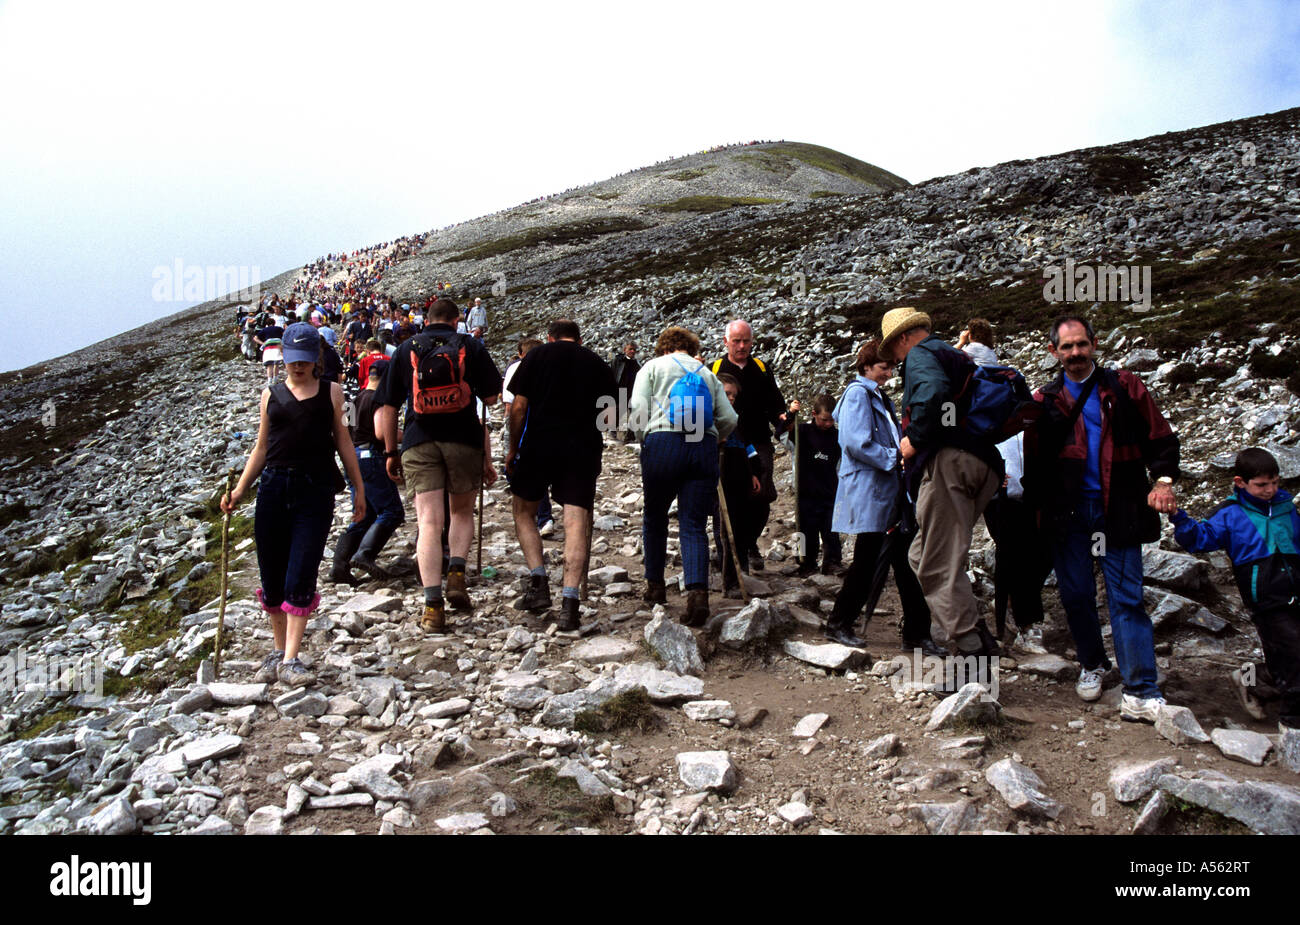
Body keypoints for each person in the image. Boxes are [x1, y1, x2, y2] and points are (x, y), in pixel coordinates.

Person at [1024, 315, 1179, 722]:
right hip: (1068, 513)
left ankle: (1141, 688)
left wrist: (1163, 481)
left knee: (1126, 598)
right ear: (1053, 351)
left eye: (1081, 344)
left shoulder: (1125, 386)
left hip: (1120, 508)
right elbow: (1034, 465)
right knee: (1076, 596)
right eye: (1067, 347)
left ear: (1094, 343)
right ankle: (1092, 662)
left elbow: (1161, 438)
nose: (1075, 353)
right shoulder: (1045, 400)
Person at [221, 322, 366, 688]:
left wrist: (358, 489)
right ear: (283, 356)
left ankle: (290, 658)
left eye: (304, 361)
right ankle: (278, 648)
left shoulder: (333, 393)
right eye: (292, 360)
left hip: (315, 489)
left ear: (316, 358)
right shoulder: (270, 394)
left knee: (301, 570)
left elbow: (344, 442)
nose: (298, 367)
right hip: (273, 487)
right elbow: (261, 447)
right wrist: (239, 491)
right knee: (271, 574)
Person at [883, 307, 1003, 659]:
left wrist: (913, 440)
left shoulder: (921, 355)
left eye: (893, 351)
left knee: (936, 563)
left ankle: (973, 653)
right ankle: (978, 636)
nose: (895, 359)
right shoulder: (955, 354)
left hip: (949, 464)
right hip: (983, 464)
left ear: (903, 338)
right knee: (922, 555)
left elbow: (933, 393)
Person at [377, 299, 501, 633]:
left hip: (419, 440)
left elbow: (388, 406)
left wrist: (391, 452)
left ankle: (433, 606)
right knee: (461, 512)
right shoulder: (470, 345)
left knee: (429, 523)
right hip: (463, 438)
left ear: (426, 320)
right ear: (457, 320)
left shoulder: (405, 348)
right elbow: (492, 398)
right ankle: (457, 571)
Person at [1170, 448, 1300, 731]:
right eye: (1262, 485)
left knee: (1284, 657)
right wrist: (1178, 517)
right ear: (1240, 482)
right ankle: (1293, 724)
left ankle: (1250, 678)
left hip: (1295, 590)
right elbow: (1199, 539)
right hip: (1265, 598)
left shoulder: (1286, 507)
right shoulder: (1229, 513)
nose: (1270, 490)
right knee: (1294, 653)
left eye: (1275, 482)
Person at [824, 340, 939, 654]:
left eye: (890, 366)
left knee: (899, 561)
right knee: (871, 560)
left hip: (885, 492)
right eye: (883, 367)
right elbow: (855, 442)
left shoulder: (875, 395)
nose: (888, 372)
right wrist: (896, 457)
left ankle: (914, 632)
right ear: (866, 367)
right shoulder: (859, 395)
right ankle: (840, 623)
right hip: (872, 491)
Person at [506, 319, 617, 631]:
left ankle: (538, 582)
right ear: (579, 339)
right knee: (575, 521)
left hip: (539, 445)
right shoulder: (597, 362)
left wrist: (513, 448)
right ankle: (570, 605)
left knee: (524, 511)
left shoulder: (536, 357)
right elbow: (611, 416)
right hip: (581, 450)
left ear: (550, 337)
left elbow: (518, 408)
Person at [631, 326, 738, 626]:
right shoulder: (707, 374)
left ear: (664, 348)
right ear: (691, 349)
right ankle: (697, 595)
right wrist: (716, 437)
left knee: (655, 515)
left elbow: (638, 409)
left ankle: (655, 587)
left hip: (663, 443)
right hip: (702, 446)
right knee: (693, 523)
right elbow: (729, 418)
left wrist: (646, 438)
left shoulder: (651, 367)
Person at [710, 320, 794, 572]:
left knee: (762, 495)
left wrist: (783, 417)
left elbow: (775, 404)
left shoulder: (761, 368)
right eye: (736, 341)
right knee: (727, 498)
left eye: (746, 340)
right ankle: (729, 555)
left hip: (758, 440)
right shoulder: (713, 369)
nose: (742, 345)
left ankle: (747, 543)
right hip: (726, 442)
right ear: (726, 342)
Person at [330, 358, 406, 583]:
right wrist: (406, 434)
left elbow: (343, 431)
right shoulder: (379, 399)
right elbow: (381, 433)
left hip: (352, 458)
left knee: (363, 514)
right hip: (371, 458)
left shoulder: (353, 399)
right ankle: (365, 554)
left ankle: (339, 566)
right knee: (392, 511)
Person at [502, 338, 554, 534]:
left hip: (523, 427)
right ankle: (545, 517)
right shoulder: (552, 366)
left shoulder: (515, 368)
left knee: (518, 469)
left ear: (521, 353)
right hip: (548, 426)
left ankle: (532, 515)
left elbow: (511, 403)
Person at [715, 373, 760, 597]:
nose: (730, 398)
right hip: (722, 478)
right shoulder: (710, 418)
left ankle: (741, 571)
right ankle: (728, 579)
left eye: (733, 395)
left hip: (741, 477)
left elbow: (748, 447)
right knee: (724, 529)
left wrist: (754, 473)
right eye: (726, 394)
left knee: (741, 526)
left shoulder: (737, 419)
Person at [796, 394, 842, 576]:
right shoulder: (802, 432)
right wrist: (791, 415)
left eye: (832, 420)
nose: (829, 424)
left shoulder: (838, 436)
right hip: (805, 490)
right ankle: (805, 563)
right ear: (814, 414)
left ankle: (832, 562)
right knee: (805, 529)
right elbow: (781, 433)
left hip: (829, 489)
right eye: (825, 420)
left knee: (831, 529)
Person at [611, 342, 642, 443]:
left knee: (634, 413)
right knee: (618, 412)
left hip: (632, 392)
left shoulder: (636, 364)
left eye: (634, 350)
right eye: (630, 349)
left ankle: (630, 436)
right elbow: (613, 374)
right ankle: (613, 433)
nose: (632, 351)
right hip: (620, 390)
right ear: (625, 350)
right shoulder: (618, 361)